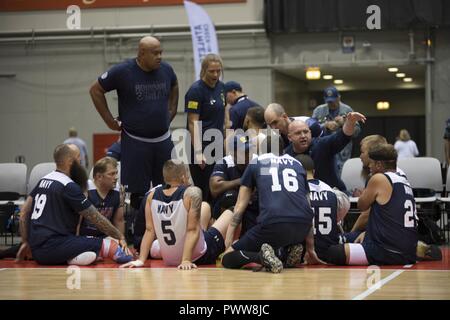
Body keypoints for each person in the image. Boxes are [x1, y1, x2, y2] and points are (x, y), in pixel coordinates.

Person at [89, 36, 179, 210]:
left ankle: (166, 229)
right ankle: (138, 233)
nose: (159, 56)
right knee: (137, 194)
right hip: (136, 142)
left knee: (168, 189)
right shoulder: (123, 71)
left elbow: (174, 85)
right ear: (142, 53)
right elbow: (95, 90)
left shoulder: (166, 69)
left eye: (161, 52)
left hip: (163, 141)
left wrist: (172, 110)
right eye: (155, 53)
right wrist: (109, 120)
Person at [15, 144, 132, 266]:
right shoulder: (68, 185)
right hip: (57, 245)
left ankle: (76, 256)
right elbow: (95, 218)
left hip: (37, 252)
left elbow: (23, 213)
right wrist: (119, 236)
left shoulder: (44, 180)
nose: (81, 161)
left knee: (88, 252)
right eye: (78, 157)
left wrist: (25, 242)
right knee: (108, 245)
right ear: (70, 161)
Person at [221, 135, 323, 273]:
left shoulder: (256, 163)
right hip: (302, 227)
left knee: (227, 259)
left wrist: (228, 243)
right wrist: (311, 248)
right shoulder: (297, 164)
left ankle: (261, 257)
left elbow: (239, 207)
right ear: (283, 148)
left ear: (261, 150)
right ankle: (285, 254)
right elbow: (308, 205)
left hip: (274, 222)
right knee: (273, 241)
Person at [121, 160, 232, 269]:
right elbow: (192, 230)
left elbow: (149, 230)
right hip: (198, 256)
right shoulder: (193, 193)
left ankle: (203, 237)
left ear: (165, 178)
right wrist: (186, 260)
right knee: (231, 213)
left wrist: (141, 260)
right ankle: (229, 252)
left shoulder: (151, 196)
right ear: (184, 177)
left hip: (169, 259)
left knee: (205, 207)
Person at [324, 144, 419, 265]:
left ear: (379, 165)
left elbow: (361, 205)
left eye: (372, 163)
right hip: (408, 251)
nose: (369, 166)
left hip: (385, 250)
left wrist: (366, 191)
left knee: (333, 252)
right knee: (355, 237)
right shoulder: (404, 180)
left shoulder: (379, 178)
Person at [284, 112, 366, 191]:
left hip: (334, 194)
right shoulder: (285, 156)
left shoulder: (321, 144)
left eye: (306, 132)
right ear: (290, 137)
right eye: (298, 133)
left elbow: (343, 136)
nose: (303, 136)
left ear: (310, 133)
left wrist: (350, 122)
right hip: (303, 198)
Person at [184, 53, 226, 201]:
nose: (215, 74)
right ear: (203, 70)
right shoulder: (196, 91)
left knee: (219, 187)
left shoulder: (221, 87)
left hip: (218, 143)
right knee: (205, 190)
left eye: (218, 71)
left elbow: (225, 114)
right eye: (212, 71)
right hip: (201, 145)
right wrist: (198, 151)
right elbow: (192, 122)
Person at [296, 154, 350, 262]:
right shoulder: (331, 191)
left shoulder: (296, 192)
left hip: (303, 253)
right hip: (329, 252)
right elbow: (339, 216)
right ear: (314, 172)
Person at [209, 134, 258, 235]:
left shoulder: (258, 160)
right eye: (243, 151)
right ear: (233, 153)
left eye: (248, 150)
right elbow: (214, 188)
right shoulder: (224, 162)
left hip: (252, 203)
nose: (247, 154)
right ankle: (221, 234)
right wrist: (243, 181)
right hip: (230, 205)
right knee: (230, 196)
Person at [312, 87, 361, 177]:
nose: (332, 104)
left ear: (339, 98)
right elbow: (311, 129)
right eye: (329, 102)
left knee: (343, 177)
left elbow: (357, 131)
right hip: (324, 151)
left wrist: (344, 124)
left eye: (334, 101)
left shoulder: (347, 110)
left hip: (343, 153)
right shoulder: (318, 110)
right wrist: (325, 126)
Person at [78, 157, 125, 238]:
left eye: (116, 173)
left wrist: (121, 242)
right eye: (111, 174)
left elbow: (119, 221)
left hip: (106, 237)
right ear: (99, 177)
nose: (116, 177)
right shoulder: (86, 189)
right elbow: (77, 222)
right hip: (85, 237)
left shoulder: (118, 191)